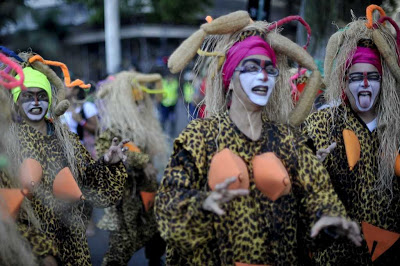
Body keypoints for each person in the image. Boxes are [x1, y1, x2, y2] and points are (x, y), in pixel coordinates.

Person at [155, 11, 361, 265]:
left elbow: (317, 191)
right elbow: (168, 206)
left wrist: (328, 217)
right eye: (252, 68)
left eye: (269, 69)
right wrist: (203, 204)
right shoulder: (200, 137)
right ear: (229, 80)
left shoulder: (286, 139)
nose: (263, 76)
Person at [5, 52, 128, 265]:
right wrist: (42, 251)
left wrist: (108, 163)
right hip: (33, 249)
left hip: (73, 245)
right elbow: (7, 207)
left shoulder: (66, 139)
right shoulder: (8, 145)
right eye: (27, 95)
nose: (35, 101)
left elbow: (90, 185)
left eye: (41, 95)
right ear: (16, 102)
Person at [302, 6, 400, 264]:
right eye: (356, 77)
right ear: (344, 83)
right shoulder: (321, 124)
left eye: (372, 77)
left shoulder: (395, 128)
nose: (365, 84)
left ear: (383, 81)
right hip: (336, 256)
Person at [96, 71, 168, 265]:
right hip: (125, 195)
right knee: (122, 244)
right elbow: (107, 151)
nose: (140, 107)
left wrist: (149, 162)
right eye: (135, 103)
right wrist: (141, 161)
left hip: (146, 191)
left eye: (141, 102)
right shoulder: (113, 129)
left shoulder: (143, 127)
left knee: (156, 230)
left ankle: (155, 259)